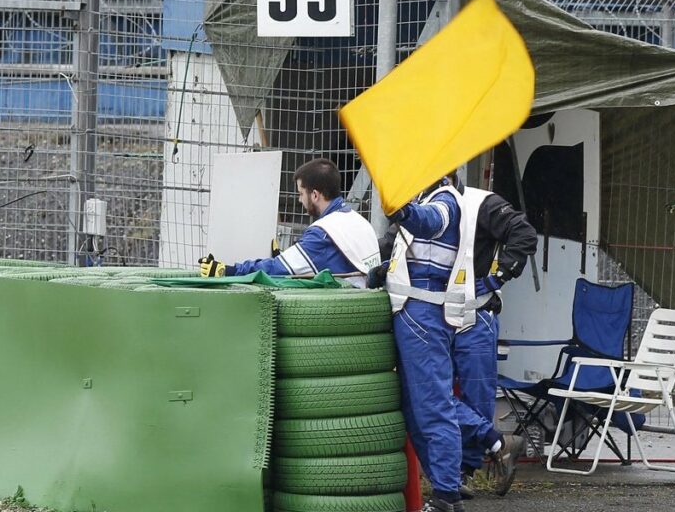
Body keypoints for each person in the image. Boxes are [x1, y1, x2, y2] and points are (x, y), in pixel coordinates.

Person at [370, 170, 536, 511]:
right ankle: (486, 452)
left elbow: (523, 234)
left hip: (473, 314)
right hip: (439, 310)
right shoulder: (424, 199)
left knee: (461, 401)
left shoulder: (473, 202)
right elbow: (393, 244)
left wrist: (496, 278)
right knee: (430, 399)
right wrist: (383, 266)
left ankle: (459, 477)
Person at [199, 158, 380, 288]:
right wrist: (290, 256)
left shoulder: (322, 234)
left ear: (315, 195)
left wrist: (229, 271)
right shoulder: (359, 221)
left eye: (301, 194)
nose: (300, 200)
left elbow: (276, 269)